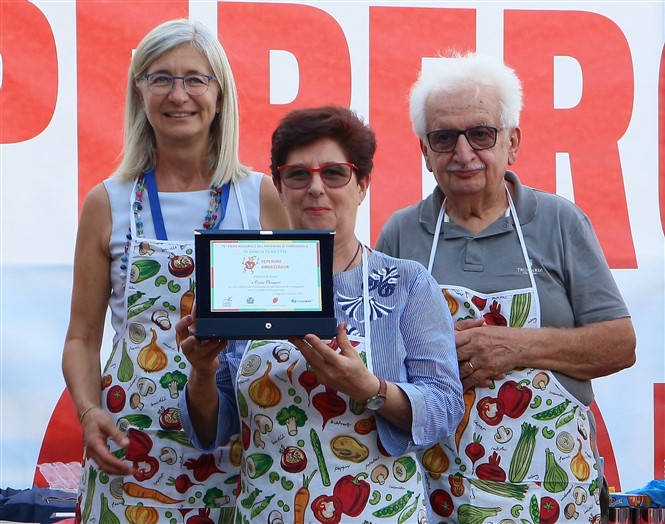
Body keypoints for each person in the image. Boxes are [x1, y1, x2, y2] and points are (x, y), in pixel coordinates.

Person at [375, 52, 636, 523]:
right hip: (441, 494)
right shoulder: (402, 234)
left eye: (481, 134)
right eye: (444, 138)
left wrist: (513, 346)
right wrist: (432, 361)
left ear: (511, 142)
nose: (463, 154)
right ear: (425, 152)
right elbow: (377, 360)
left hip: (554, 490)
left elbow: (620, 344)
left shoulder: (559, 222)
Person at [176, 105, 465, 524]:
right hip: (268, 514)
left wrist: (369, 387)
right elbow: (211, 432)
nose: (315, 188)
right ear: (279, 187)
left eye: (334, 173)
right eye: (298, 174)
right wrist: (203, 371)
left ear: (362, 184)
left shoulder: (407, 283)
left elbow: (444, 408)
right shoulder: (243, 280)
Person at [61, 19, 290, 524]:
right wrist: (88, 411)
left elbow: (292, 324)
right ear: (139, 92)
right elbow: (81, 336)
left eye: (195, 79)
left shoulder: (259, 199)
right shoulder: (107, 203)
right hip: (130, 445)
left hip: (239, 440)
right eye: (160, 78)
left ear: (220, 94)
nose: (178, 94)